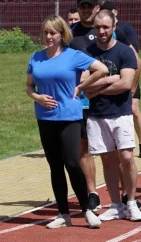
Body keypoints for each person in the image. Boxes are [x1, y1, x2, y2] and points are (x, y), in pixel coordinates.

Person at [26, 16, 109, 228]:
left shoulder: (74, 56)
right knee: (55, 166)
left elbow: (102, 69)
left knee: (72, 162)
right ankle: (63, 213)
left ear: (62, 34)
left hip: (69, 116)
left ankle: (86, 209)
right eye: (45, 32)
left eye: (53, 32)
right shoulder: (36, 58)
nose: (48, 36)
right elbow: (29, 86)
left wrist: (81, 87)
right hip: (45, 118)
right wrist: (37, 98)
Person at [84, 11, 141, 222]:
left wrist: (97, 86)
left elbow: (126, 84)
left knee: (127, 158)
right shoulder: (88, 53)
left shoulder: (124, 52)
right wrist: (112, 79)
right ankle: (116, 205)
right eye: (98, 27)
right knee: (107, 160)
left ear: (113, 27)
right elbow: (84, 84)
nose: (101, 31)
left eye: (106, 27)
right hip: (97, 115)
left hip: (121, 114)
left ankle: (131, 202)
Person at [101, 0, 141, 160]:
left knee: (134, 109)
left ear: (116, 12)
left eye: (110, 11)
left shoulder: (124, 29)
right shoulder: (100, 33)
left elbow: (137, 59)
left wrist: (133, 86)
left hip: (129, 76)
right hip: (111, 78)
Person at [71, 0, 103, 211]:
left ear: (97, 8)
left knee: (116, 149)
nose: (85, 10)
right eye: (82, 6)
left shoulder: (106, 30)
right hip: (82, 100)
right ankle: (92, 192)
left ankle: (125, 194)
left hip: (107, 97)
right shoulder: (70, 34)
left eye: (89, 6)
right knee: (84, 148)